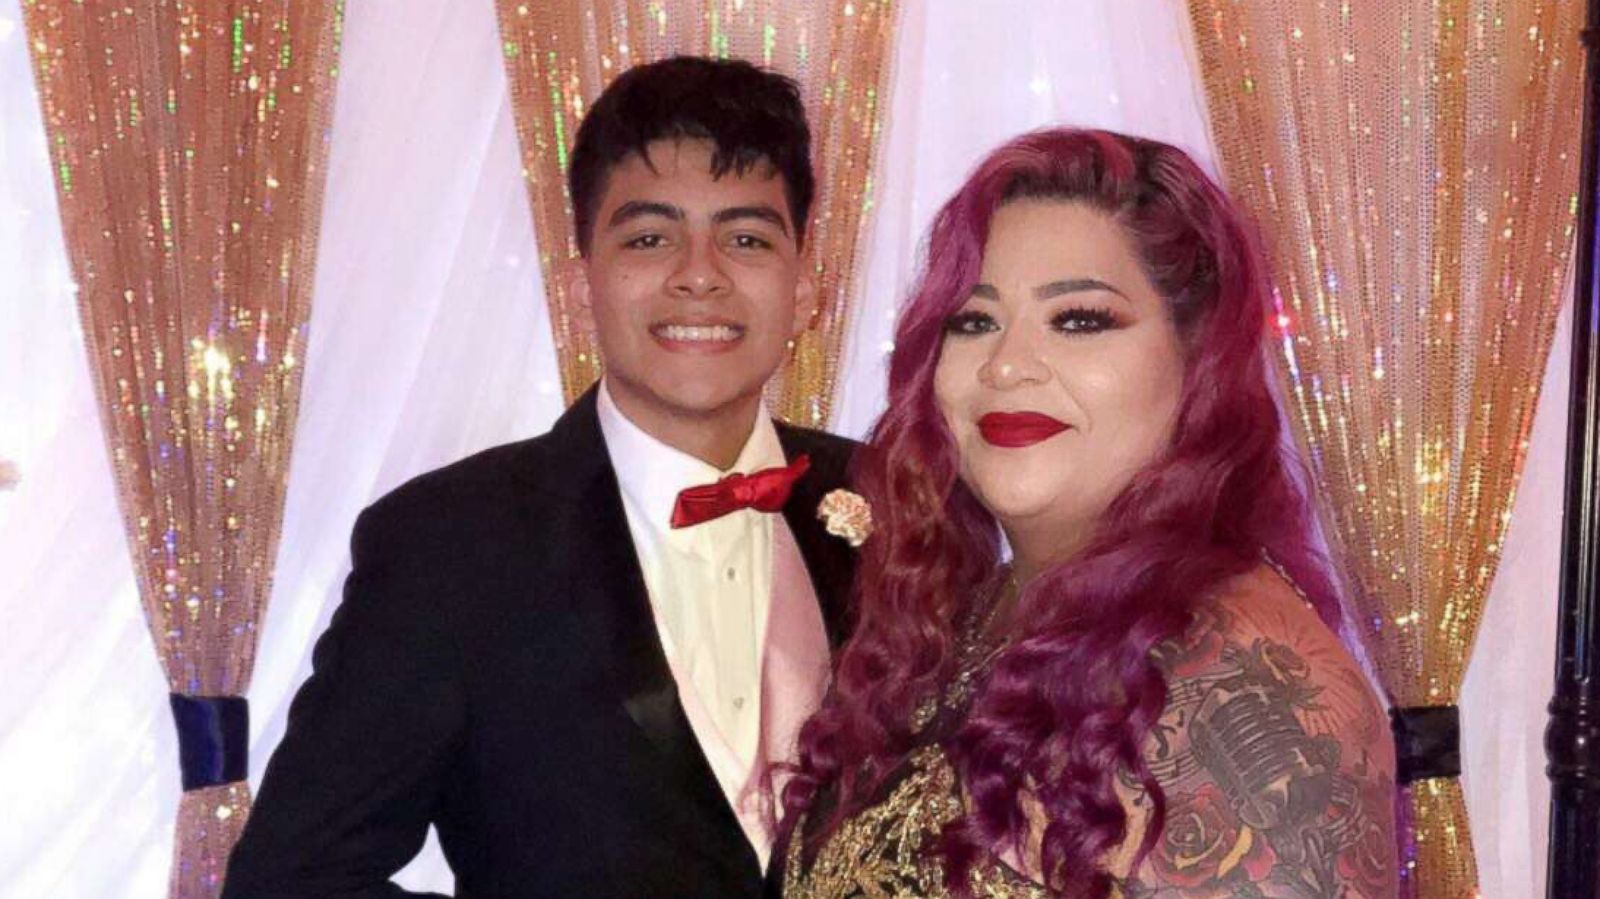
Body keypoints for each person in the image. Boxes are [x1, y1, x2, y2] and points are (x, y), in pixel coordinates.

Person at [224, 56, 860, 898]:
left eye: (746, 237)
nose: (699, 273)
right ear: (578, 284)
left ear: (806, 286)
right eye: (648, 236)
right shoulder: (449, 546)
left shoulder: (898, 500)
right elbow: (292, 879)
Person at [779, 129, 1396, 898]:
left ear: (1196, 352)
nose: (1007, 363)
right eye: (973, 321)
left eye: (1078, 319)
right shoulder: (968, 611)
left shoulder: (1239, 676)